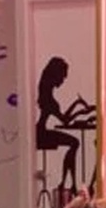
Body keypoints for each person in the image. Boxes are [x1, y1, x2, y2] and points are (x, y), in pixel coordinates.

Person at [36, 57, 95, 196]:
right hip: (41, 134)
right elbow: (65, 121)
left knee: (74, 143)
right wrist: (81, 111)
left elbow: (64, 118)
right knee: (74, 143)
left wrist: (77, 105)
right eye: (62, 77)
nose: (63, 80)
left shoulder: (45, 92)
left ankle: (68, 182)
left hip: (41, 131)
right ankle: (69, 183)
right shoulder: (48, 97)